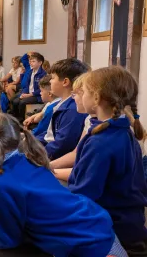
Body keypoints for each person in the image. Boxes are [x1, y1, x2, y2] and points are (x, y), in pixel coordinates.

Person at [0, 113, 127, 257]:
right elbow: (19, 211)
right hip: (97, 229)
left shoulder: (0, 183)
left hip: (90, 248)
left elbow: (7, 238)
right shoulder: (28, 158)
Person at [68, 66, 147, 254]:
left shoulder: (101, 142)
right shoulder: (122, 132)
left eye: (84, 91)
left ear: (96, 98)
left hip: (112, 231)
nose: (80, 95)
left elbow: (84, 196)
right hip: (128, 224)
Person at [36, 59, 89, 160]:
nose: (50, 81)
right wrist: (31, 143)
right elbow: (49, 134)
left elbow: (62, 145)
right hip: (47, 152)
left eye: (52, 78)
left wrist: (37, 156)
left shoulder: (73, 109)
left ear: (65, 82)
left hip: (53, 158)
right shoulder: (62, 103)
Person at [51, 73, 96, 182]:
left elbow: (85, 176)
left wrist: (48, 171)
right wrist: (47, 165)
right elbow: (76, 154)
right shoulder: (89, 119)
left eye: (76, 93)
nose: (73, 97)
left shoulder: (104, 137)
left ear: (96, 98)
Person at [11, 52, 46, 122]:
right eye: (30, 61)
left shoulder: (43, 74)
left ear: (40, 63)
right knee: (14, 100)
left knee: (22, 102)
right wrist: (23, 94)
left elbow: (41, 90)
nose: (31, 63)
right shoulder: (30, 72)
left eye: (33, 61)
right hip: (28, 93)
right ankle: (15, 117)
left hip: (37, 96)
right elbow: (27, 85)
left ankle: (21, 120)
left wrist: (28, 95)